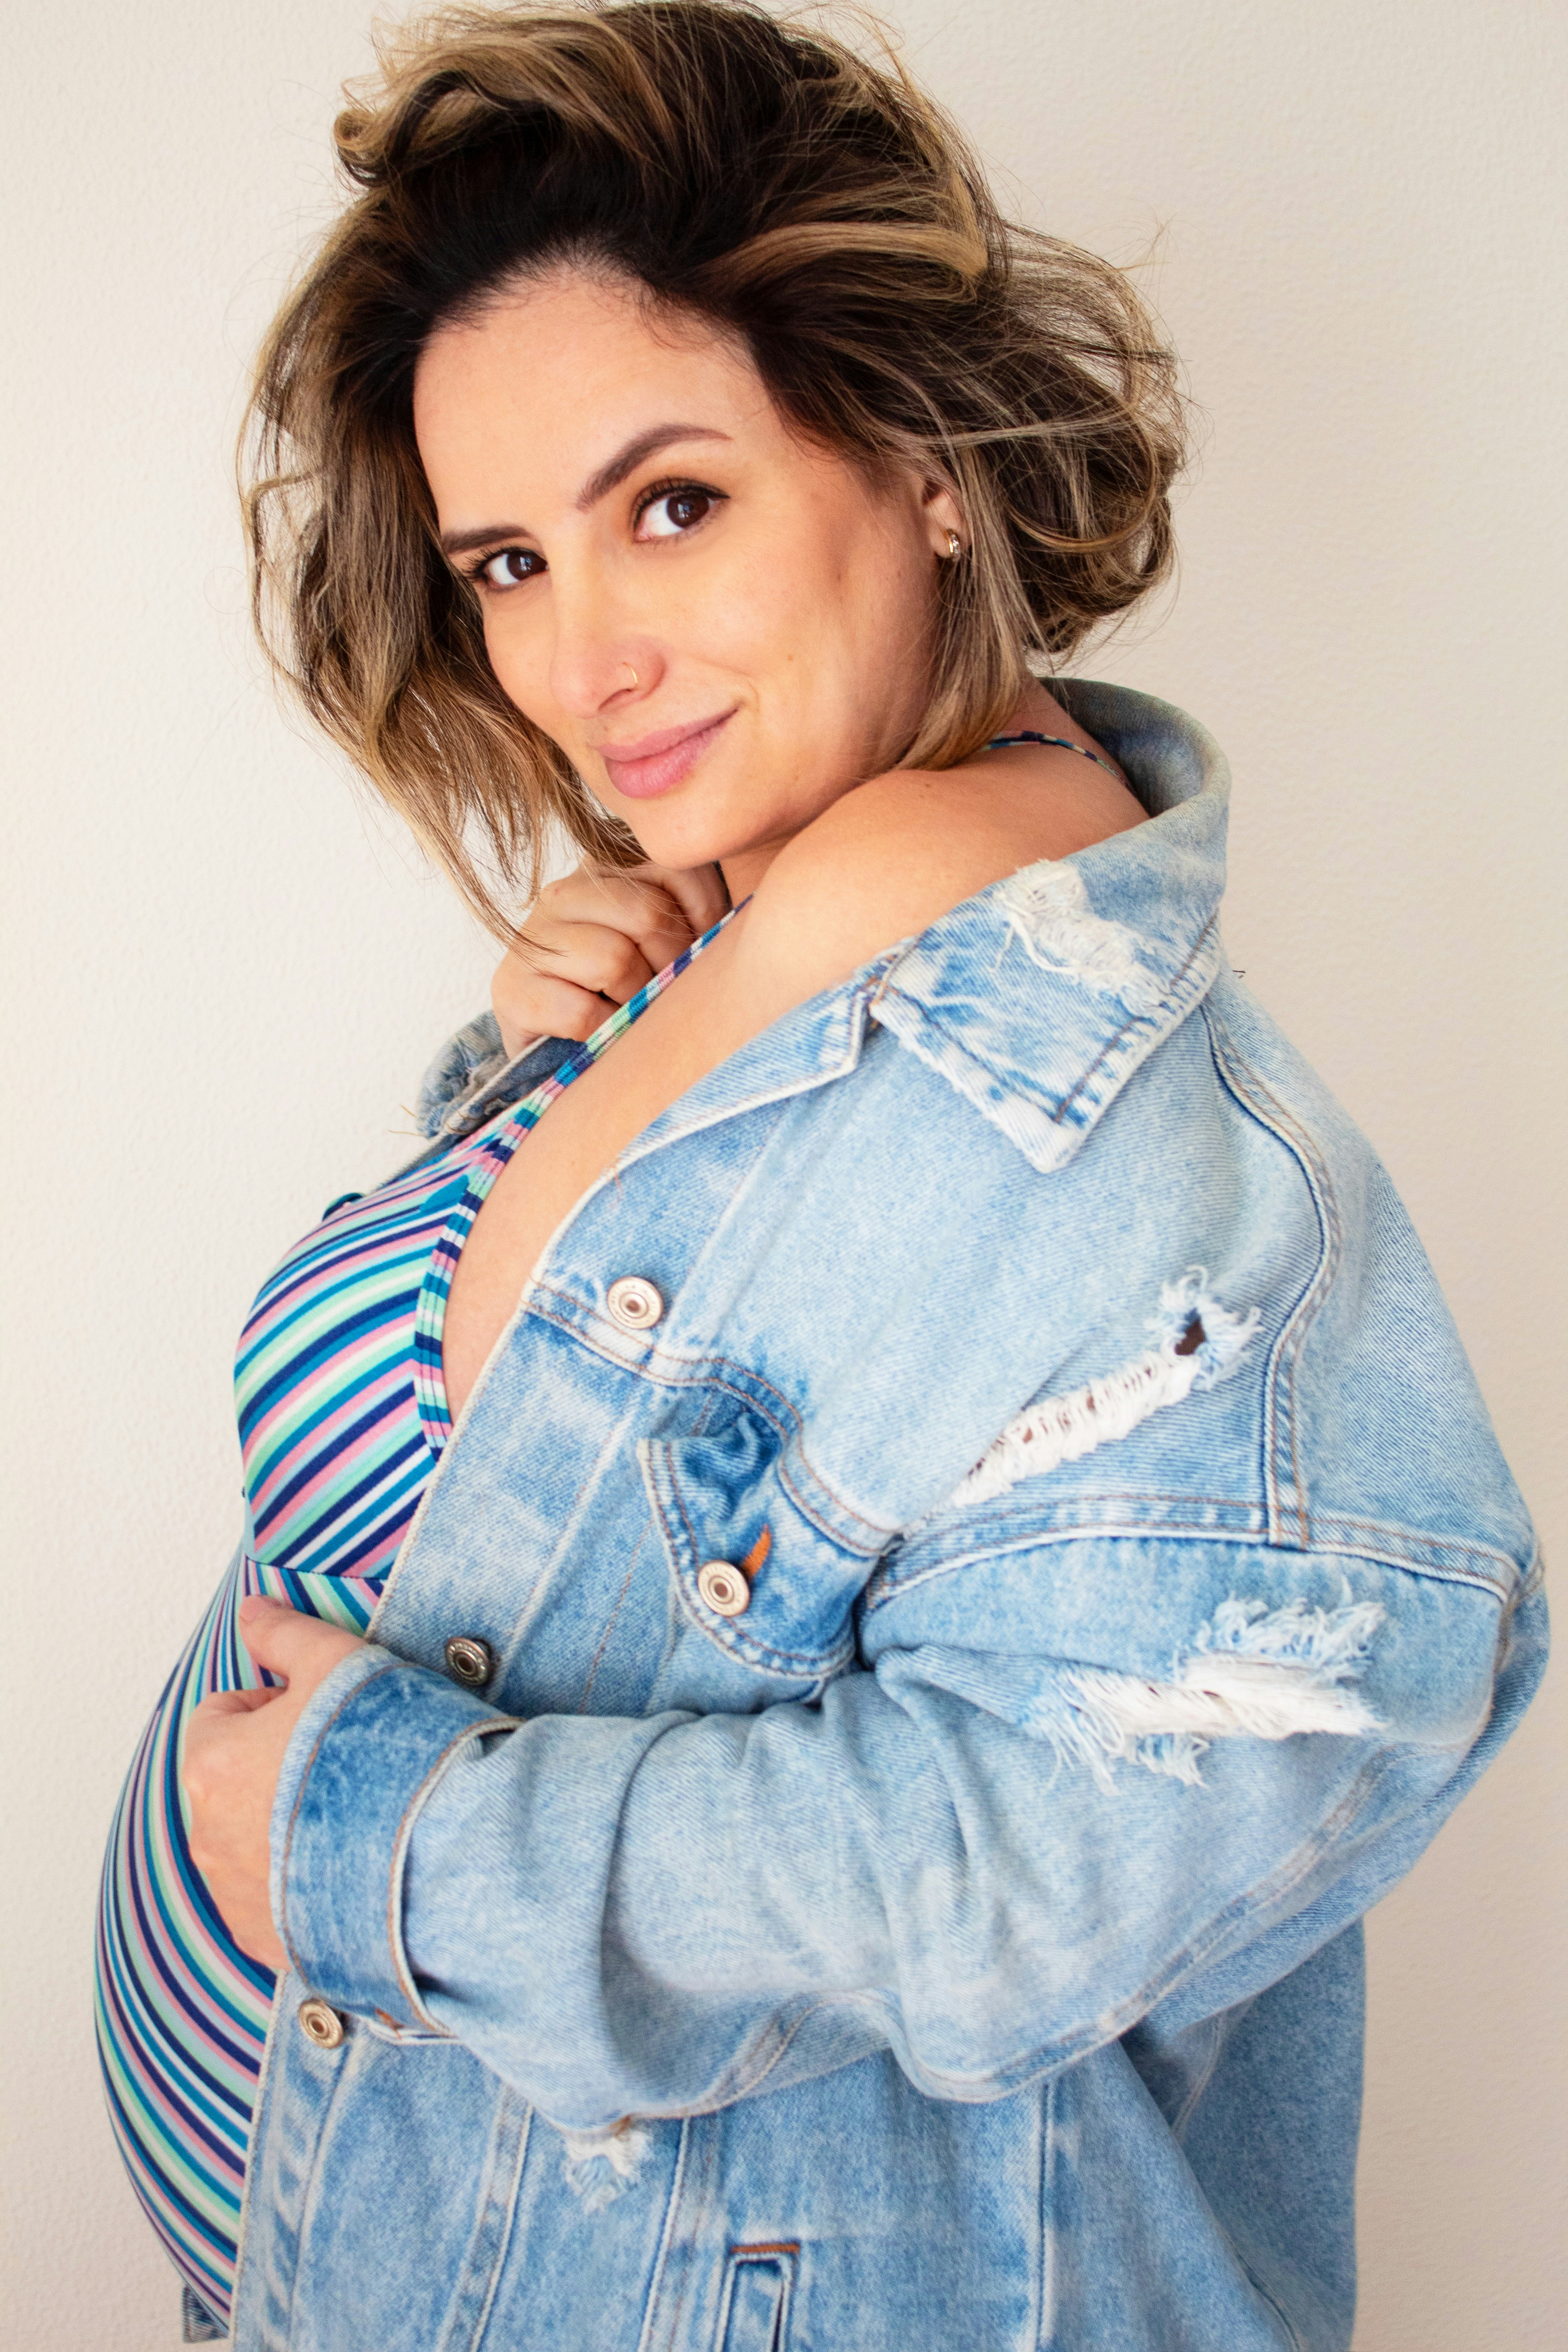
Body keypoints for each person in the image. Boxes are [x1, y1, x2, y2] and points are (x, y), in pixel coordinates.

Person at [93, 5, 1544, 2347]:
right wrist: (547, 1070)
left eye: (673, 504)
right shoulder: (759, 943)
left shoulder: (1165, 1192)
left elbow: (1053, 1867)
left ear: (926, 462)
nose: (586, 657)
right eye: (505, 562)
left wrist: (388, 1848)